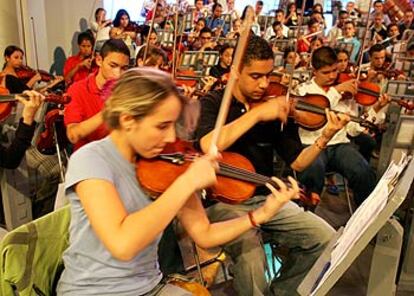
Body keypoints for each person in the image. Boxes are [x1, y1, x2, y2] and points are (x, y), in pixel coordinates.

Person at [56, 66, 300, 295]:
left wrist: (259, 215)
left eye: (173, 125)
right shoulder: (90, 159)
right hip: (93, 290)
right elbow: (123, 244)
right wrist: (186, 183)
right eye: (162, 126)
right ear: (128, 120)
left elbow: (204, 233)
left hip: (150, 286)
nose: (172, 136)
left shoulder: (168, 163)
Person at [195, 36, 349, 296]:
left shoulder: (274, 105)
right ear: (234, 73)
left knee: (325, 239)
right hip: (222, 203)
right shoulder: (212, 103)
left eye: (268, 75)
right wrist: (257, 114)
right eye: (255, 76)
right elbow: (209, 143)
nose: (264, 84)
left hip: (267, 199)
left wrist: (325, 137)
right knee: (253, 259)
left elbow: (298, 161)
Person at [295, 46, 378, 207]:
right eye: (326, 73)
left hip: (339, 144)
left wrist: (376, 109)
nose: (332, 76)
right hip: (311, 144)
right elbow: (317, 113)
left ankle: (364, 217)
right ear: (314, 71)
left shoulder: (347, 92)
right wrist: (336, 91)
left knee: (364, 171)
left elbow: (353, 131)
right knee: (313, 171)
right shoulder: (303, 90)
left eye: (334, 71)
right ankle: (306, 214)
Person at [64, 39, 130, 151]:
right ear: (99, 60)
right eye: (113, 66)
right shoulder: (78, 89)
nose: (118, 74)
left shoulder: (127, 89)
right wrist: (107, 111)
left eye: (124, 68)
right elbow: (73, 135)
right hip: (90, 157)